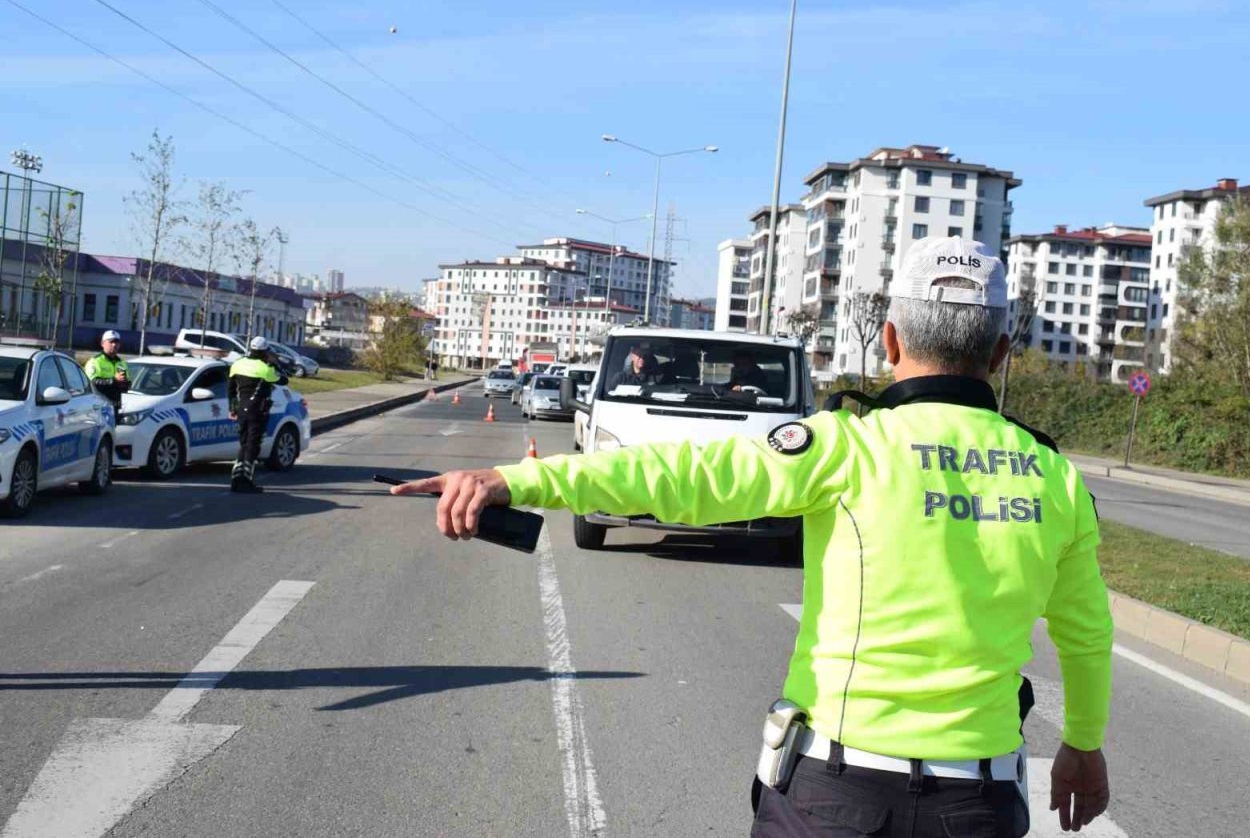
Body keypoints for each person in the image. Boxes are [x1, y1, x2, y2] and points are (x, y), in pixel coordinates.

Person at [391, 237, 1113, 837]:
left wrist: (520, 482)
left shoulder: (848, 447)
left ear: (889, 340)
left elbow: (685, 474)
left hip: (838, 795)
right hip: (978, 807)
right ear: (1000, 352)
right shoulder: (1056, 478)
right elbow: (1085, 634)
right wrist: (1082, 743)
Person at [227, 336, 288, 493]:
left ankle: (236, 479)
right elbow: (284, 380)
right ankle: (246, 480)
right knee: (253, 444)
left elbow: (231, 390)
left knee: (244, 442)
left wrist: (232, 409)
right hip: (258, 409)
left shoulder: (237, 364)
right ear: (264, 351)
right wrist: (275, 363)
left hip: (241, 408)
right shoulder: (265, 369)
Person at [83, 330, 131, 415]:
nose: (114, 345)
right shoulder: (95, 361)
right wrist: (114, 380)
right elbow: (92, 383)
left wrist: (125, 383)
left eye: (117, 342)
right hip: (99, 405)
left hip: (116, 405)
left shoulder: (122, 363)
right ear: (102, 344)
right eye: (111, 342)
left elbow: (127, 384)